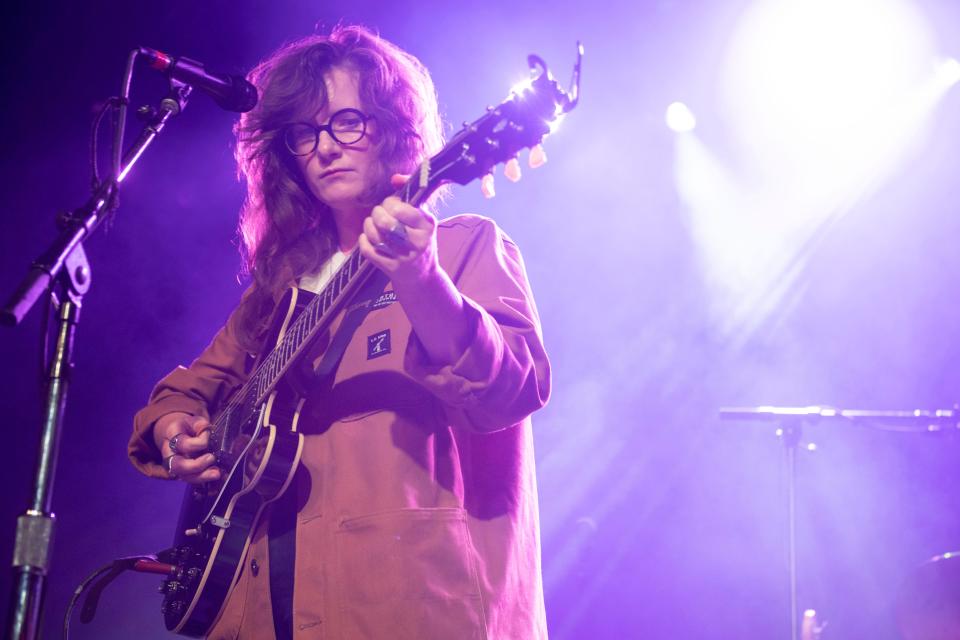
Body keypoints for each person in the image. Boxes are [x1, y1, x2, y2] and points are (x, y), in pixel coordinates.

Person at [127, 24, 551, 639]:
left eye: (347, 122)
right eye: (304, 132)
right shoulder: (277, 293)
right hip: (265, 608)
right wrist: (174, 436)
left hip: (413, 604)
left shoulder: (465, 246)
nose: (324, 147)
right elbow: (179, 397)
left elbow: (510, 390)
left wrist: (419, 275)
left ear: (394, 130)